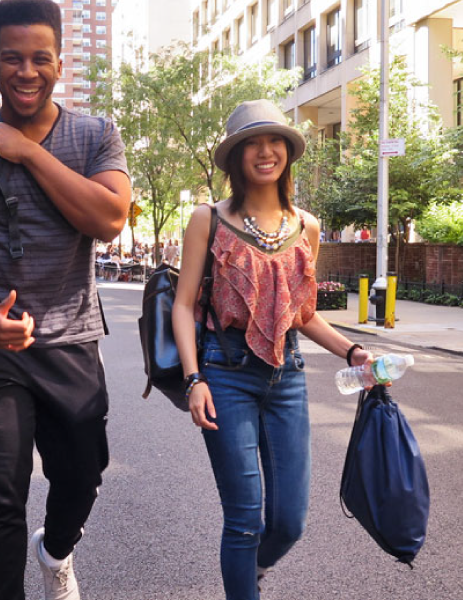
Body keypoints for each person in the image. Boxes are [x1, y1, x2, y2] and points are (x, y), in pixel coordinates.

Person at [0, 1, 131, 599]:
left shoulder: (94, 135)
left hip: (70, 343)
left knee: (82, 477)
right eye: (12, 58)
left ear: (60, 62)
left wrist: (29, 151)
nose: (26, 71)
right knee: (1, 502)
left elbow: (110, 218)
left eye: (40, 58)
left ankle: (55, 551)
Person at [172, 99, 373, 600]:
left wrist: (352, 352)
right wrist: (194, 379)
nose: (265, 152)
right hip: (224, 372)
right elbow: (182, 305)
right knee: (243, 518)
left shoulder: (306, 226)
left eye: (274, 141)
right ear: (236, 157)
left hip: (287, 375)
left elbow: (300, 313)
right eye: (252, 144)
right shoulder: (208, 220)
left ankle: (249, 573)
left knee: (288, 521)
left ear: (287, 151)